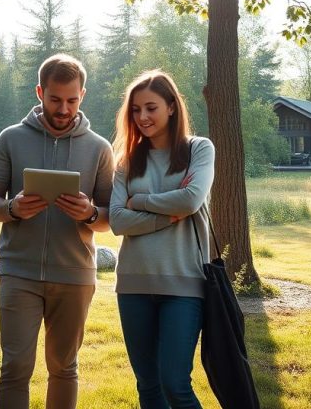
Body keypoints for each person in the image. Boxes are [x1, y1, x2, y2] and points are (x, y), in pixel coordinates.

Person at [0, 54, 114, 409]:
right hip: (18, 273)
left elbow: (110, 217)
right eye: (55, 99)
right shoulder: (10, 139)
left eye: (71, 100)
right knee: (15, 367)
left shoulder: (100, 148)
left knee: (64, 367)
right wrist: (12, 209)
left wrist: (89, 214)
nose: (63, 108)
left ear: (82, 95)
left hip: (74, 276)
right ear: (40, 91)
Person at [108, 70, 215, 409]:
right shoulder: (126, 162)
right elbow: (117, 220)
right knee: (148, 387)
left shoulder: (199, 149)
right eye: (136, 110)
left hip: (184, 285)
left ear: (171, 107)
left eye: (150, 108)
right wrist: (168, 214)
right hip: (133, 285)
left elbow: (190, 200)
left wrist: (139, 202)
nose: (142, 117)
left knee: (175, 384)